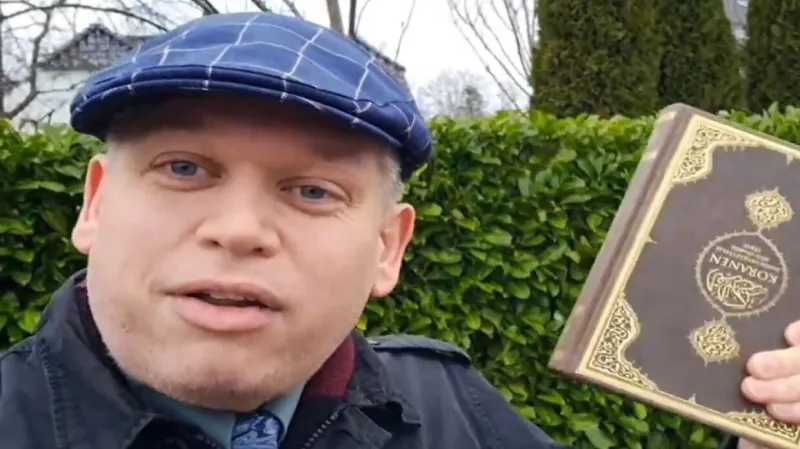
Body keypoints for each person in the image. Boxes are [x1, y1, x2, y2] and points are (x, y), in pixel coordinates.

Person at [0, 11, 793, 449]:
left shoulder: (450, 412)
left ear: (388, 248)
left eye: (312, 190)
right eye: (183, 168)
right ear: (94, 204)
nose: (239, 230)